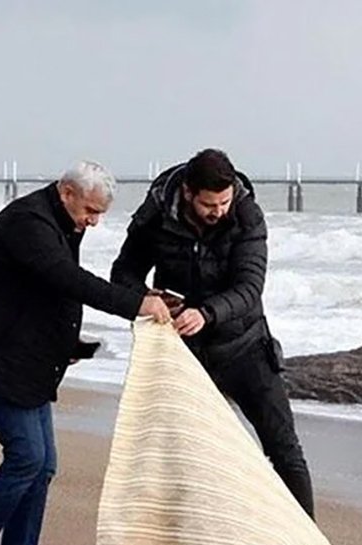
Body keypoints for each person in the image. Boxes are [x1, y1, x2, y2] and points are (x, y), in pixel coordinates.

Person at [0, 160, 171, 545]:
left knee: (43, 465)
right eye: (90, 210)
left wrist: (71, 346)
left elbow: (46, 296)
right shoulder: (28, 223)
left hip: (28, 362)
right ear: (66, 192)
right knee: (26, 458)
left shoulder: (65, 222)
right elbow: (66, 280)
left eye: (100, 213)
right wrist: (135, 303)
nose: (94, 221)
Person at [110, 148, 316, 518]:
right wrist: (146, 297)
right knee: (186, 455)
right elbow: (123, 273)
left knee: (284, 448)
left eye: (224, 201)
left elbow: (250, 287)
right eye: (209, 204)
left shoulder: (247, 215)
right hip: (181, 352)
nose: (218, 211)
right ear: (188, 193)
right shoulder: (155, 213)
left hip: (245, 344)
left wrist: (207, 313)